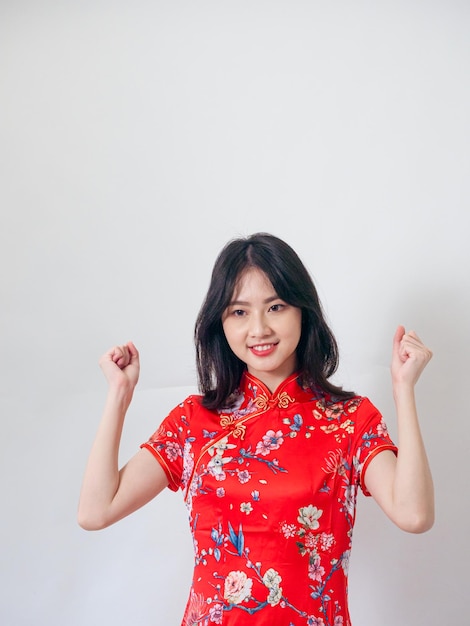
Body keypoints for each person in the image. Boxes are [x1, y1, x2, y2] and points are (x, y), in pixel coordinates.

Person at [78, 232, 434, 626]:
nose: (259, 329)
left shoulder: (348, 419)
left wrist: (404, 390)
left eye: (276, 306)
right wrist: (119, 396)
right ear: (220, 323)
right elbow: (96, 511)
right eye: (239, 312)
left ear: (303, 311)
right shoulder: (193, 422)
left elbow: (414, 514)